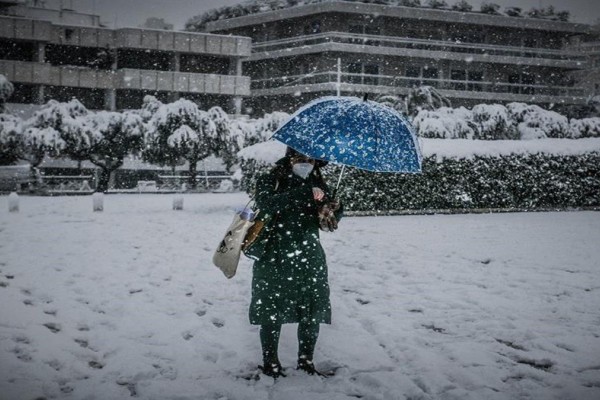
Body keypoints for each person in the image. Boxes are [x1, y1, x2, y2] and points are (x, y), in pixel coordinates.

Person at [247, 146, 343, 378]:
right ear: (289, 159)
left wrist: (333, 208)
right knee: (271, 310)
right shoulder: (270, 179)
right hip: (274, 255)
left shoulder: (319, 182)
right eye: (300, 158)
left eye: (310, 159)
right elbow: (267, 204)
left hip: (310, 256)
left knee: (312, 309)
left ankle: (306, 361)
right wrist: (305, 193)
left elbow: (328, 222)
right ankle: (271, 364)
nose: (305, 163)